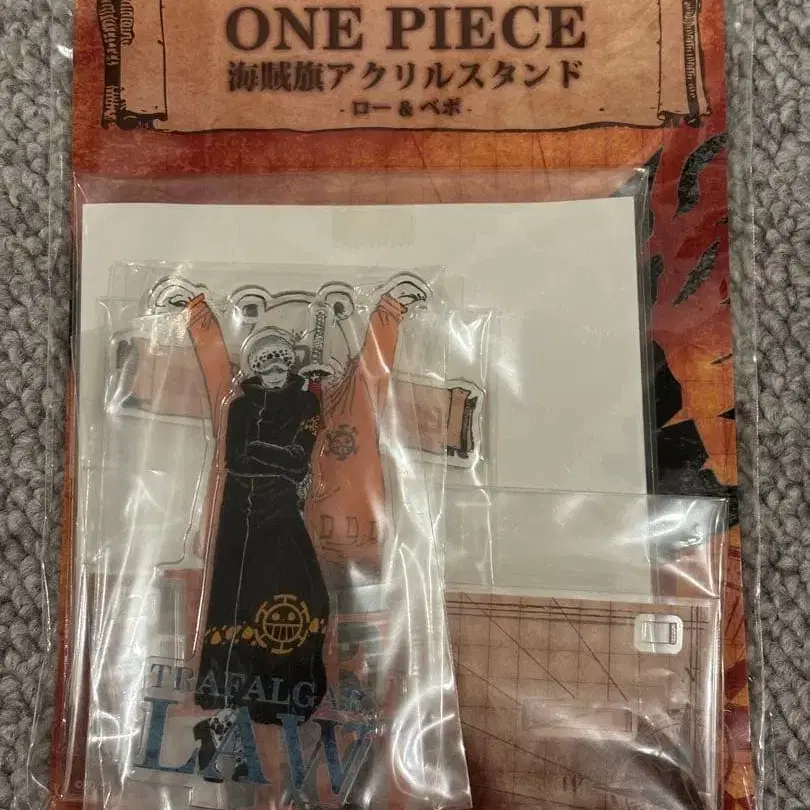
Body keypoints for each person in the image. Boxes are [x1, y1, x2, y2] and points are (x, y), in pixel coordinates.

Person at [180, 294, 330, 781]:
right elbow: (239, 459)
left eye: (282, 362)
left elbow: (299, 458)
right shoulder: (241, 406)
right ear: (256, 367)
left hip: (282, 512)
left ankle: (278, 700)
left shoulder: (307, 402)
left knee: (309, 595)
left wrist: (277, 456)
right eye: (266, 363)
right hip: (241, 517)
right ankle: (231, 717)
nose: (274, 370)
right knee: (240, 602)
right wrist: (281, 456)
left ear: (290, 365)